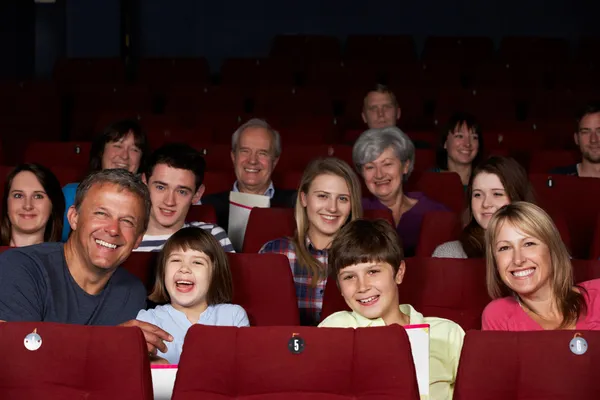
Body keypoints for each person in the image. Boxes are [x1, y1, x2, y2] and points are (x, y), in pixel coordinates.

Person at [0, 169, 173, 354]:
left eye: (127, 221)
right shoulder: (20, 267)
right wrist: (108, 341)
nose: (113, 229)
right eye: (101, 213)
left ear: (138, 238)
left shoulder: (132, 292)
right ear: (74, 218)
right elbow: (15, 354)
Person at [319, 219, 465, 400]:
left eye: (373, 272)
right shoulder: (335, 327)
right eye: (349, 277)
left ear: (399, 272)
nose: (362, 286)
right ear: (340, 287)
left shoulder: (447, 332)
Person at [259, 158, 363, 326]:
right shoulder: (275, 252)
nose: (332, 208)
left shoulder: (365, 256)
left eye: (343, 198)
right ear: (304, 198)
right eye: (323, 196)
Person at [137, 227, 249, 365]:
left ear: (215, 274)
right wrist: (153, 365)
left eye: (197, 262)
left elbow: (244, 368)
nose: (184, 268)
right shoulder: (147, 320)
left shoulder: (233, 316)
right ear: (163, 272)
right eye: (176, 260)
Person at [482, 202, 600, 330]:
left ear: (552, 249)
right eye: (505, 248)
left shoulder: (597, 294)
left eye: (529, 244)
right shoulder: (498, 316)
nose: (518, 260)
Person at [354, 126, 448, 257]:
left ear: (405, 166)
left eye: (387, 164)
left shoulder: (435, 211)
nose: (379, 175)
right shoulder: (354, 211)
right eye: (370, 167)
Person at [136, 143, 234, 253]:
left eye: (182, 192)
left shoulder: (211, 237)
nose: (169, 201)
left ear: (197, 194)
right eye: (160, 187)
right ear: (144, 183)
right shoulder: (122, 237)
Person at [202, 118, 296, 232]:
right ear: (233, 157)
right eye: (245, 151)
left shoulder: (295, 205)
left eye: (262, 153)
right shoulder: (207, 207)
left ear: (275, 161)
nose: (252, 160)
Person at [61, 119, 149, 241]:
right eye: (117, 146)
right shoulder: (71, 194)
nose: (124, 156)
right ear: (101, 151)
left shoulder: (148, 200)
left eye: (134, 149)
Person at [433, 156, 535, 258]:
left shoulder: (539, 249)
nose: (486, 204)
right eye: (478, 195)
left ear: (517, 198)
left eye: (497, 194)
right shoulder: (449, 254)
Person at [0, 163, 65, 247]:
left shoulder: (64, 258)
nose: (27, 206)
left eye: (38, 196)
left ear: (52, 205)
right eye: (18, 195)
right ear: (7, 203)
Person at [432, 112, 484, 188]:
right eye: (459, 136)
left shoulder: (486, 180)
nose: (467, 144)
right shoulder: (430, 179)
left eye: (474, 137)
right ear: (445, 143)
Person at [551, 102, 600, 177]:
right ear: (576, 139)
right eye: (585, 132)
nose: (593, 140)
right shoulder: (558, 178)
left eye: (599, 131)